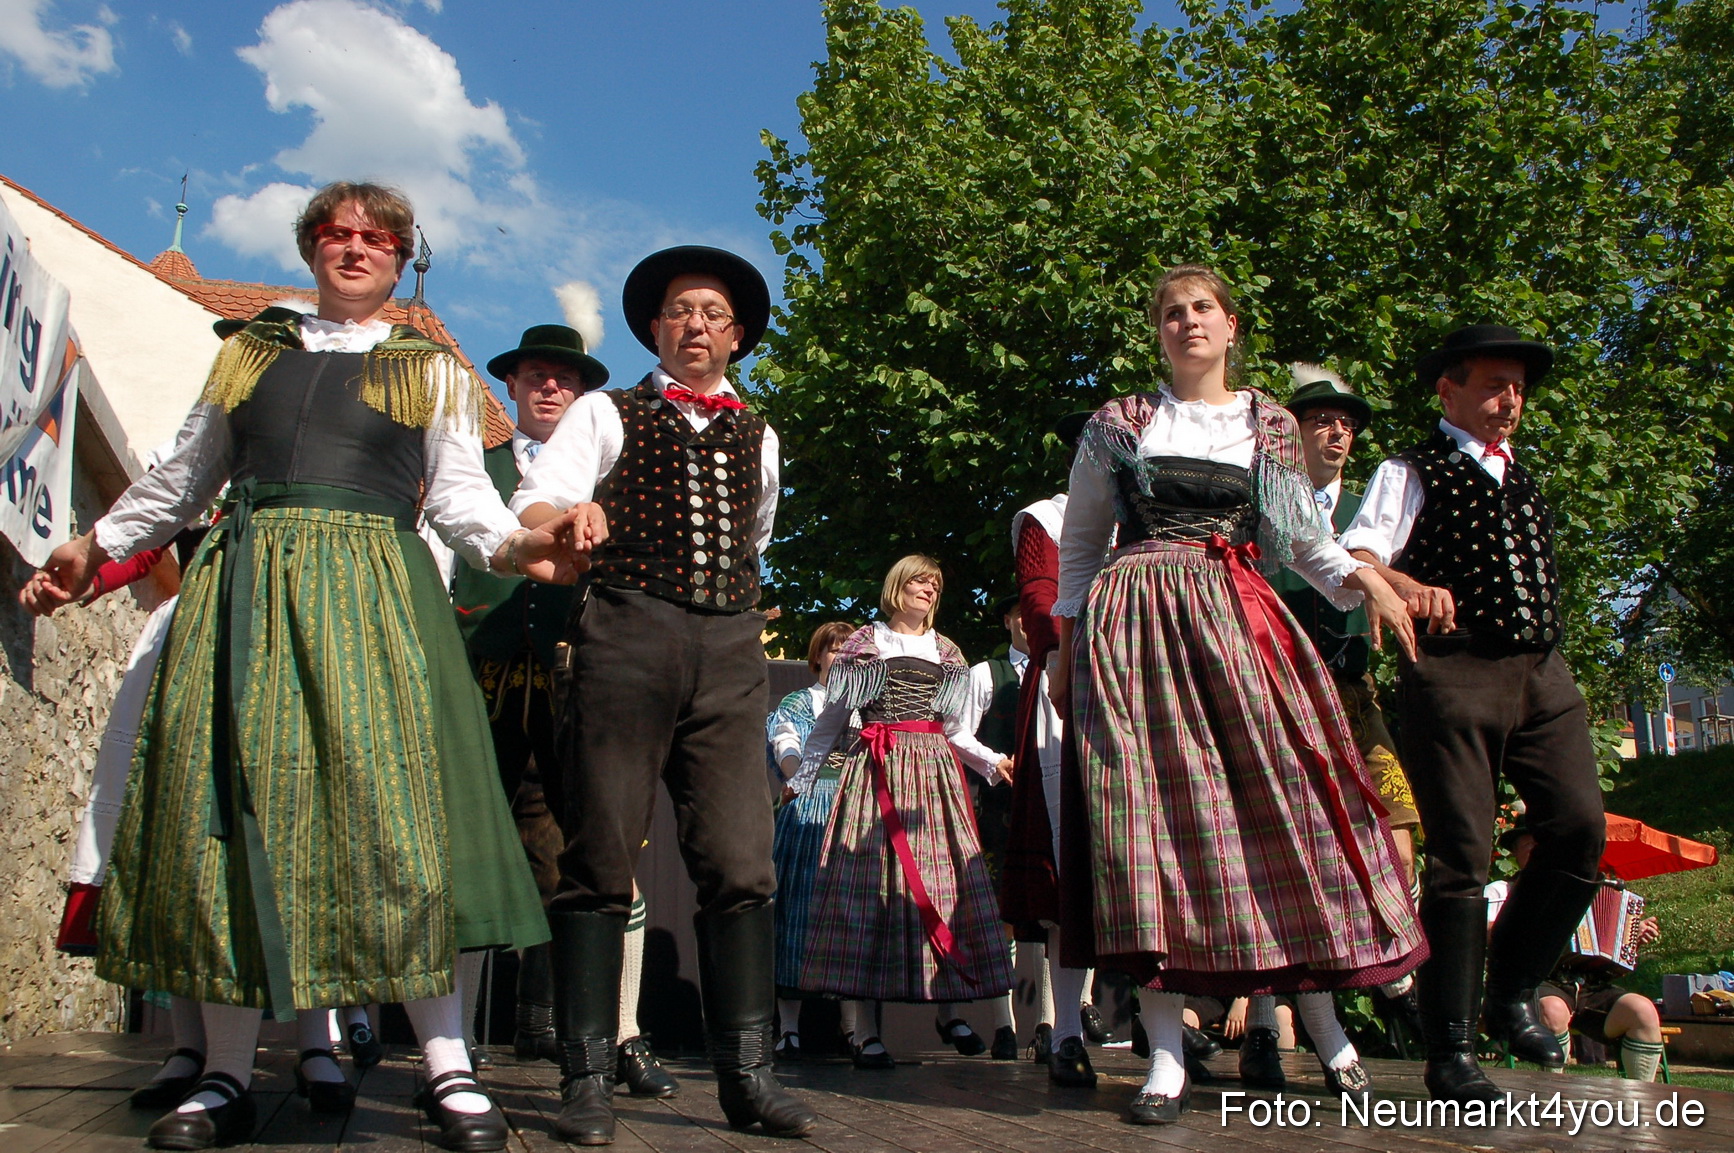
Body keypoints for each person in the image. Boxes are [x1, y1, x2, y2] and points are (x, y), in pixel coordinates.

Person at [31, 182, 599, 1152]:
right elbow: (185, 475)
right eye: (337, 233)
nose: (355, 248)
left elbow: (462, 499)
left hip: (374, 595)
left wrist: (521, 548)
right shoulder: (250, 351)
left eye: (377, 238)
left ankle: (448, 1066)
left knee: (398, 820)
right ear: (310, 248)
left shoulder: (429, 368)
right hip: (247, 590)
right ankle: (224, 1072)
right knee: (229, 808)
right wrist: (96, 544)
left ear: (399, 258)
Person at [1049, 264, 1425, 1125]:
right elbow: (1081, 546)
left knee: (1283, 807)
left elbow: (1302, 540)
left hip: (1233, 624)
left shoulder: (1270, 423)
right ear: (1159, 331)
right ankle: (1165, 1056)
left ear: (1231, 326)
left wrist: (1367, 582)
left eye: (1202, 308)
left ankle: (1326, 1026)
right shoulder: (1118, 423)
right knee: (1144, 830)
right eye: (1171, 312)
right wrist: (1066, 653)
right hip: (1134, 629)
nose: (1187, 322)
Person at [511, 246, 815, 1144]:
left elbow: (753, 538)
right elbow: (536, 501)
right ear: (654, 327)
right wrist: (568, 519)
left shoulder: (761, 435)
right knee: (600, 853)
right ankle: (586, 1078)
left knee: (741, 860)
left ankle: (748, 1079)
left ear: (737, 336)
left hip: (729, 645)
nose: (696, 325)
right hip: (626, 632)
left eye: (713, 314)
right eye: (681, 310)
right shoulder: (604, 410)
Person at [1341, 324, 1608, 1101]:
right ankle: (1450, 1049)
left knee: (1579, 829)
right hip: (1453, 670)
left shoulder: (1522, 477)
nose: (1510, 400)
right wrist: (1407, 586)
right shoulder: (1411, 469)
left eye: (1517, 388)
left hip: (1541, 672)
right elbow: (1358, 555)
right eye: (1494, 385)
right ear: (1448, 390)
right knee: (1462, 855)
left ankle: (1512, 989)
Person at [786, 557, 1016, 1067]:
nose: (928, 590)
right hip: (876, 772)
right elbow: (831, 721)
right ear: (897, 587)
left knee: (942, 888)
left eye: (935, 584)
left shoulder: (947, 652)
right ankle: (865, 1034)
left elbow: (955, 730)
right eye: (919, 581)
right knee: (866, 894)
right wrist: (800, 781)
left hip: (932, 779)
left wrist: (994, 760)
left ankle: (949, 1010)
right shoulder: (865, 644)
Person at [1266, 365, 1426, 1063]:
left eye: (1347, 424)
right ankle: (1270, 1018)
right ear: (1294, 431)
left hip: (1354, 697)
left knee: (1398, 834)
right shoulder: (1266, 507)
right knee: (1284, 852)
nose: (1338, 433)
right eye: (1323, 421)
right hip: (1280, 698)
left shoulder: (1370, 509)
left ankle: (1393, 967)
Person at [996, 415, 1100, 1088]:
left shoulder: (1146, 520)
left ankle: (1165, 1031)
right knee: (1069, 868)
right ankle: (1063, 1032)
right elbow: (1040, 597)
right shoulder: (1047, 518)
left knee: (1155, 862)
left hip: (1147, 688)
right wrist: (1070, 650)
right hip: (1073, 683)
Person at [1488, 827, 1666, 1081]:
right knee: (1553, 1010)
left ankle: (1640, 1096)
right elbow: (1486, 934)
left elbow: (1604, 949)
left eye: (1544, 846)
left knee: (1642, 1011)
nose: (1539, 852)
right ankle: (1553, 1093)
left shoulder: (1580, 889)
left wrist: (1629, 937)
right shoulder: (1501, 890)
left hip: (1587, 984)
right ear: (1515, 853)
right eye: (1529, 846)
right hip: (1536, 981)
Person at [768, 620, 855, 1061]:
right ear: (818, 656)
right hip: (808, 806)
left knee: (852, 919)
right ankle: (788, 1029)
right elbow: (786, 745)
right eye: (834, 649)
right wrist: (797, 777)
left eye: (848, 651)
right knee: (797, 914)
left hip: (855, 809)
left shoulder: (864, 706)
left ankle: (854, 1029)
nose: (841, 657)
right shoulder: (798, 703)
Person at [956, 595, 1028, 1062]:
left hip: (1055, 804)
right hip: (1000, 809)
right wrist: (998, 760)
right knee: (1003, 915)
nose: (1029, 620)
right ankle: (1005, 1024)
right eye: (1020, 613)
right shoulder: (986, 673)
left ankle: (1061, 1022)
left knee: (1057, 912)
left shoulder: (1065, 666)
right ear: (1007, 621)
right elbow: (958, 732)